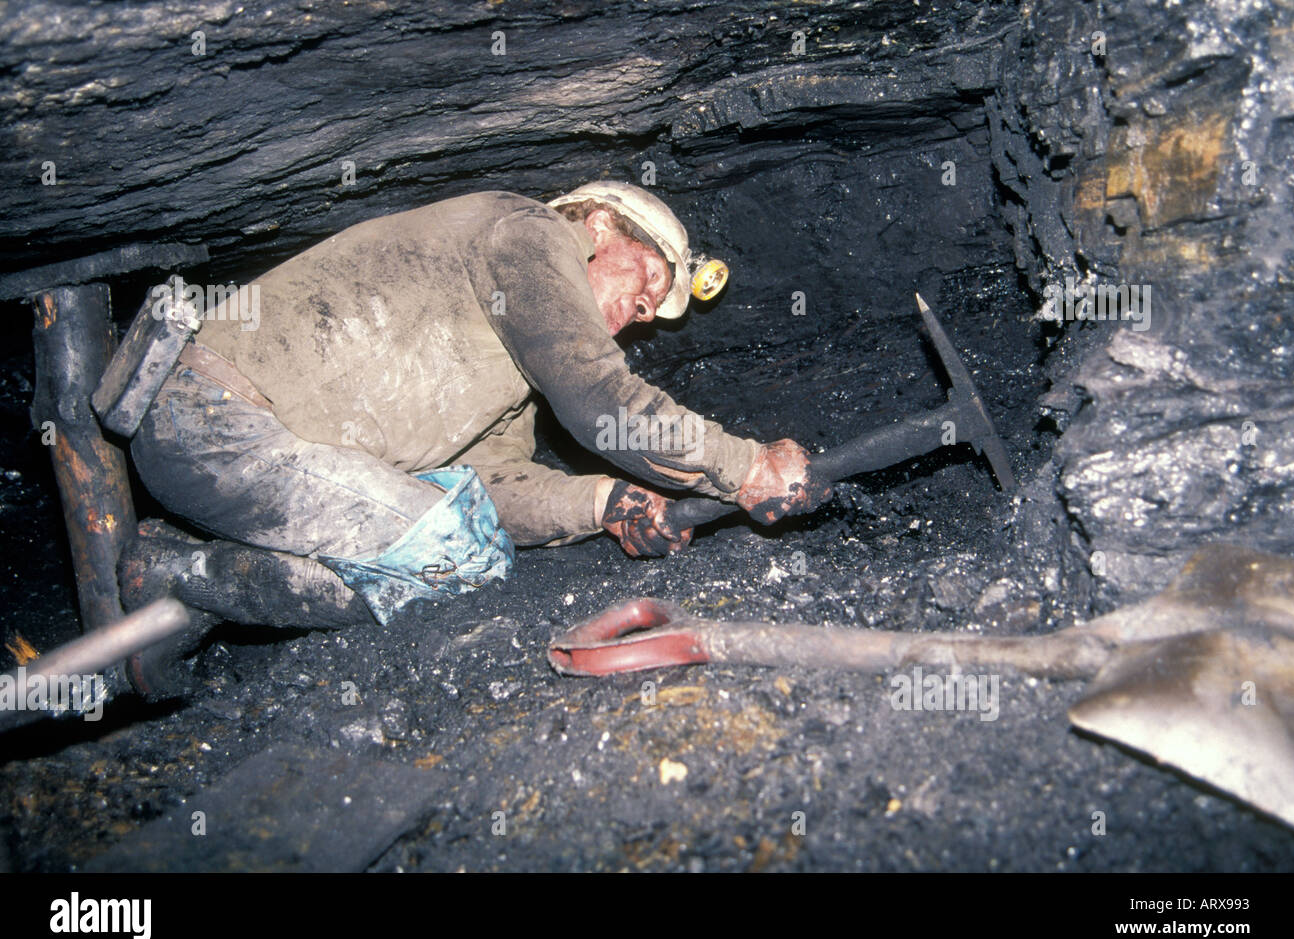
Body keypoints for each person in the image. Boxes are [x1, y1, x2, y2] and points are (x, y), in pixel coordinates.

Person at [121, 182, 830, 643]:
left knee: (455, 554)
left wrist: (604, 502)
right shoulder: (524, 233)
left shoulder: (507, 375)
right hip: (209, 414)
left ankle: (191, 574)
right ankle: (187, 577)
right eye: (643, 278)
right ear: (602, 221)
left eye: (647, 312)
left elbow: (483, 486)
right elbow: (600, 402)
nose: (634, 312)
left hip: (263, 459)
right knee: (446, 558)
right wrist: (744, 466)